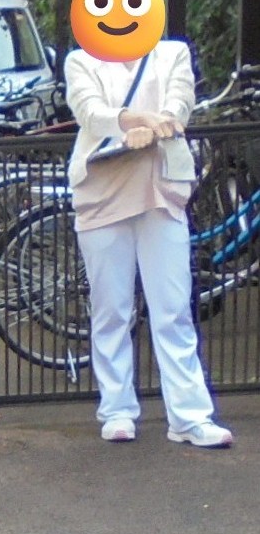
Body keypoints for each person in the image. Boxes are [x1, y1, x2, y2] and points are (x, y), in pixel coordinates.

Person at [65, 39, 234, 447]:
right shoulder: (81, 59)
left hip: (161, 190)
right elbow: (89, 111)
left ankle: (190, 417)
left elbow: (181, 98)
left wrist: (161, 123)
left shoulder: (170, 52)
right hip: (102, 191)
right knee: (111, 310)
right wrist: (132, 122)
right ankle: (117, 410)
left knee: (173, 308)